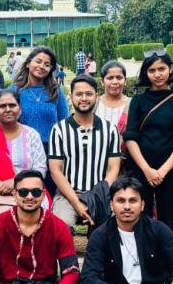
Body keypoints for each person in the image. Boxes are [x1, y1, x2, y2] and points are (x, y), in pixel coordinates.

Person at [0, 89, 48, 255]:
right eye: (2, 106)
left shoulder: (31, 135)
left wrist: (16, 183)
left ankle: (32, 265)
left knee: (41, 219)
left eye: (12, 105)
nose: (8, 109)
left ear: (20, 108)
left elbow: (40, 168)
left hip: (28, 189)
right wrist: (1, 184)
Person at [124, 50, 173, 234]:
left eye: (161, 69)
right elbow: (131, 138)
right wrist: (147, 170)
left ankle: (166, 260)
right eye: (152, 70)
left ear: (170, 69)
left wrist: (162, 171)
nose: (157, 74)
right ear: (146, 73)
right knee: (139, 219)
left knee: (168, 220)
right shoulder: (138, 101)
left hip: (169, 171)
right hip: (140, 169)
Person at [49, 74, 122, 230]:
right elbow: (56, 171)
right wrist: (76, 202)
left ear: (96, 96)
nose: (84, 98)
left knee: (112, 226)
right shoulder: (59, 129)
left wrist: (97, 197)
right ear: (71, 97)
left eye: (89, 94)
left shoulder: (109, 129)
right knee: (61, 225)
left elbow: (113, 168)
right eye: (79, 94)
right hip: (68, 194)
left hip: (100, 194)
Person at [11, 46, 69, 149]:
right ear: (28, 63)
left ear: (50, 69)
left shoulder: (55, 91)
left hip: (52, 150)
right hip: (22, 149)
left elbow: (64, 122)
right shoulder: (15, 90)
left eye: (47, 65)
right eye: (38, 61)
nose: (42, 66)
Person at [95, 60, 130, 136]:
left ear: (125, 81)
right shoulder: (94, 104)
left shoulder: (133, 104)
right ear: (102, 82)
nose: (115, 82)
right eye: (110, 78)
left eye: (119, 78)